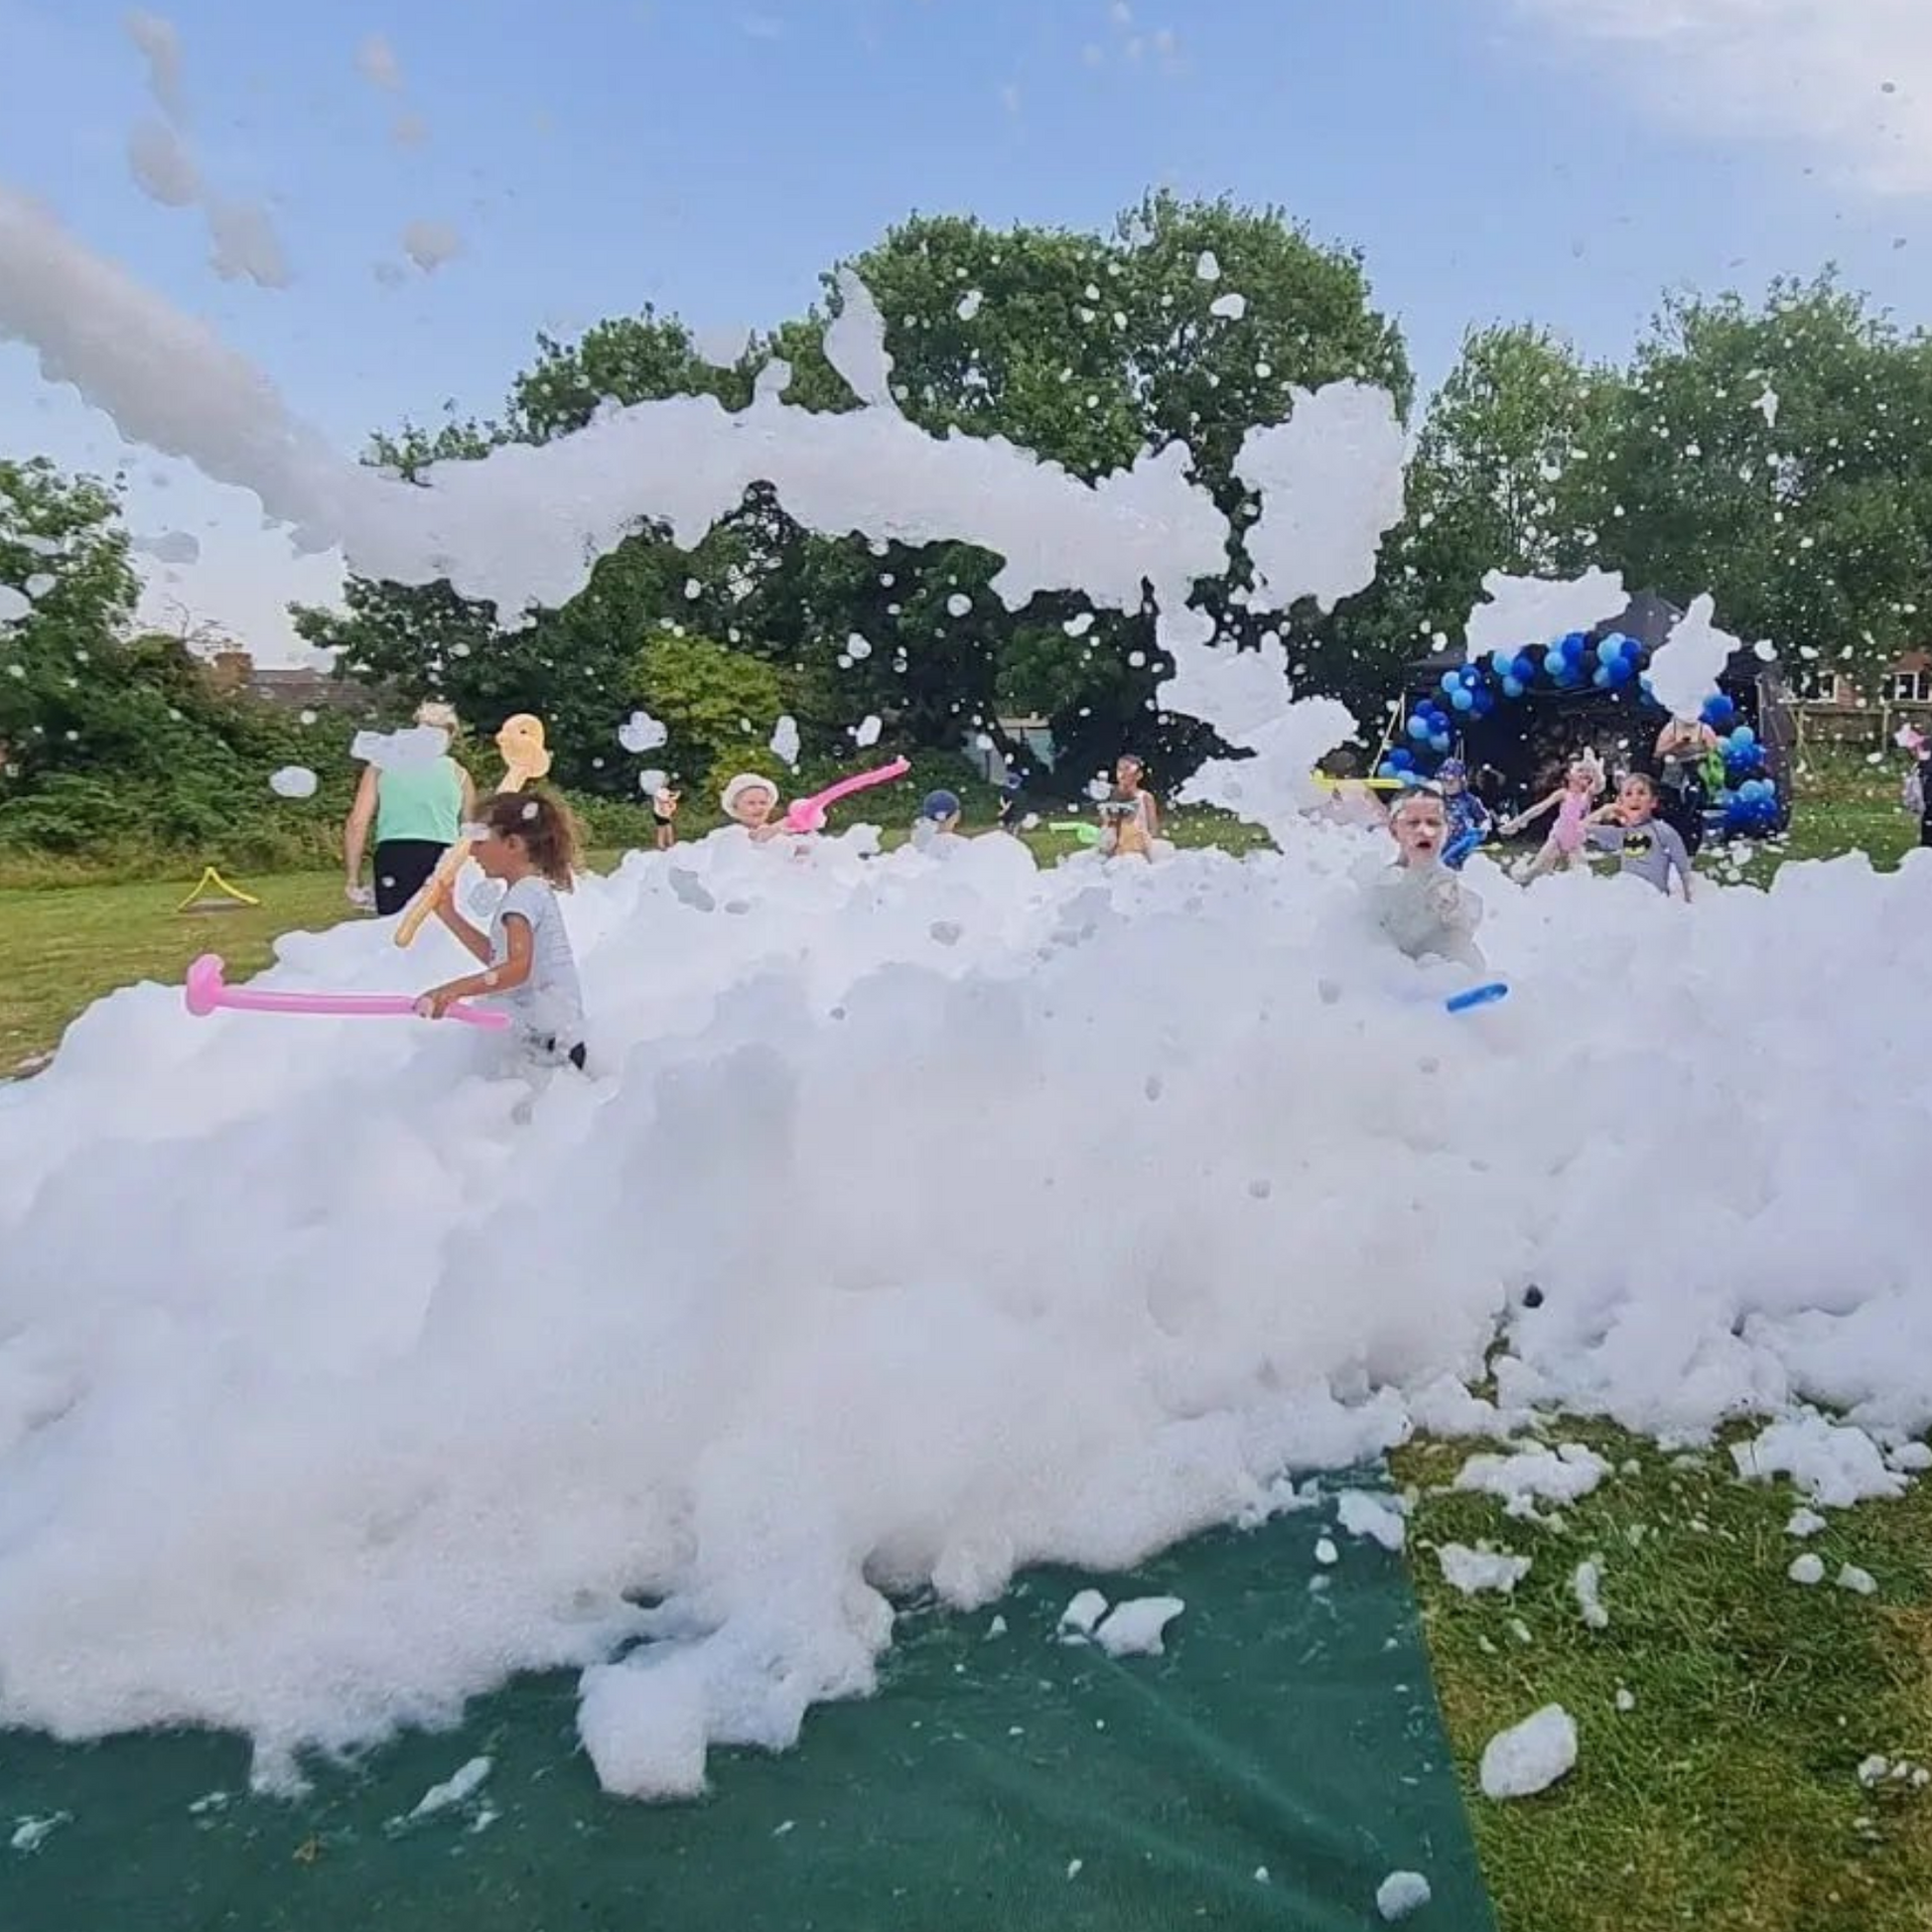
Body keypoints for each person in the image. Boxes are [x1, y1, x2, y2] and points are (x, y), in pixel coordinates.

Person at [419, 790, 586, 1067]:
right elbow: (499, 959)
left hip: (551, 1039)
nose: (472, 851)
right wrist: (449, 914)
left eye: (480, 841)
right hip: (553, 1033)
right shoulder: (529, 891)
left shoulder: (524, 896)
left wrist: (454, 990)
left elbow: (517, 970)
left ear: (513, 844)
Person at [343, 700, 478, 914]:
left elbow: (357, 822)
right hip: (445, 857)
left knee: (395, 927)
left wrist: (353, 878)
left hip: (395, 855)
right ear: (450, 735)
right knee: (441, 925)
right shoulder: (459, 774)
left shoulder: (381, 765)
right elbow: (470, 831)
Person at [1366, 786, 1485, 969]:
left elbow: (1464, 933)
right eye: (1413, 823)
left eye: (1433, 823)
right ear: (1394, 830)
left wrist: (1455, 913)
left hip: (1442, 973)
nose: (1425, 831)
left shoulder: (1448, 884)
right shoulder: (1381, 884)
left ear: (1447, 830)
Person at [1586, 772, 1694, 899]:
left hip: (1655, 900)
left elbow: (1684, 869)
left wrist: (1688, 897)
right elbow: (1582, 827)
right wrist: (1606, 809)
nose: (1635, 798)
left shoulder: (1664, 832)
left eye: (1641, 793)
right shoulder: (1622, 834)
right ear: (1621, 802)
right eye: (1628, 794)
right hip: (1628, 897)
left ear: (1653, 802)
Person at [1502, 761, 1599, 881]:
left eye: (1586, 771)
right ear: (1568, 776)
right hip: (1557, 839)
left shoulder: (1588, 793)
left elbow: (1600, 783)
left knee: (1582, 876)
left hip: (1576, 843)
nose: (1584, 773)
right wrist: (1516, 822)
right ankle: (1513, 874)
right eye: (1580, 770)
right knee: (1533, 872)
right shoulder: (1563, 794)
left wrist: (1594, 765)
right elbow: (1539, 808)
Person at [1653, 717, 1718, 857]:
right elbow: (1658, 754)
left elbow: (1715, 754)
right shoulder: (1669, 729)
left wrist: (1698, 756)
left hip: (1696, 775)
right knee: (1673, 813)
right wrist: (1676, 745)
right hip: (1672, 777)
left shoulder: (1704, 730)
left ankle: (1691, 847)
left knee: (1693, 812)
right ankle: (1673, 846)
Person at [1098, 754, 1161, 859]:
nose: (1122, 773)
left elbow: (1152, 829)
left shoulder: (1145, 797)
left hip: (1136, 851)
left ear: (1139, 775)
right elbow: (1104, 826)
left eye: (1127, 769)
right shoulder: (1109, 795)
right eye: (1119, 769)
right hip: (1113, 851)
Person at [1437, 759, 1492, 869]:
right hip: (1439, 842)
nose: (1447, 785)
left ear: (1461, 781)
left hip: (1459, 844)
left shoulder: (1469, 800)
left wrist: (1481, 829)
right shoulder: (1437, 798)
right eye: (1443, 781)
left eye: (1451, 782)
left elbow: (1484, 819)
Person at [721, 772, 788, 843]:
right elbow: (755, 838)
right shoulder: (725, 836)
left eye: (763, 803)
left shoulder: (781, 836)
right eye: (751, 803)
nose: (759, 807)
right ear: (735, 807)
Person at [652, 782, 681, 852]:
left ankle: (670, 843)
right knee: (662, 829)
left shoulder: (665, 790)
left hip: (665, 814)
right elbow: (664, 799)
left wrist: (676, 794)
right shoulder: (657, 791)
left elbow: (671, 795)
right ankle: (661, 845)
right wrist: (674, 797)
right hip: (659, 814)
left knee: (668, 828)